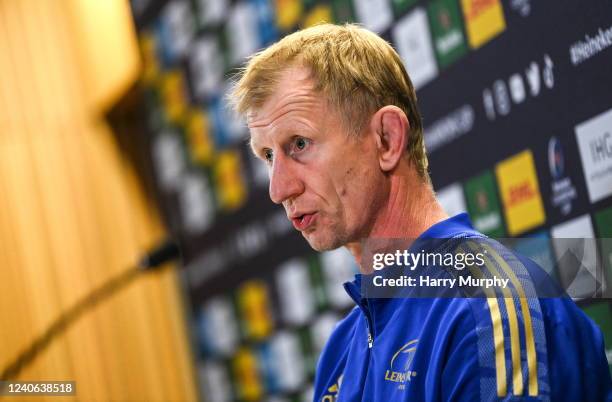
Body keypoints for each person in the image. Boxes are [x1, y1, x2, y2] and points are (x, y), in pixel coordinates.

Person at [230, 23, 612, 401]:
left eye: (299, 143)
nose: (279, 189)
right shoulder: (341, 350)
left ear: (387, 140)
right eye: (267, 156)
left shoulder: (482, 308)